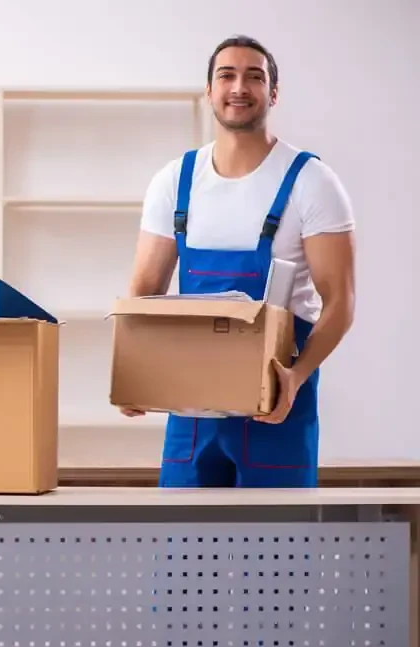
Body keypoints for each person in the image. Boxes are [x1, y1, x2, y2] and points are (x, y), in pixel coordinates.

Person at [121, 35, 356, 488]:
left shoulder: (311, 182)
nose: (239, 87)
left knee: (278, 535)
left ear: (273, 92)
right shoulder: (175, 181)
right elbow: (144, 291)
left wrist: (296, 377)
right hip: (191, 410)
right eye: (226, 75)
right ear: (209, 90)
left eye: (255, 77)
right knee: (182, 534)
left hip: (278, 404)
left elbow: (340, 302)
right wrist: (133, 372)